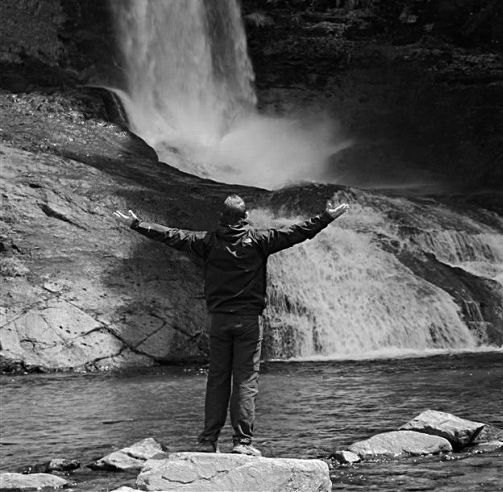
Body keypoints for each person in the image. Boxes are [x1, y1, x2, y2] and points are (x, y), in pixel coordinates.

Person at [114, 194, 349, 456]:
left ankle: (208, 441)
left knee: (217, 380)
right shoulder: (261, 240)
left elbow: (173, 235)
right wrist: (326, 217)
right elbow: (296, 232)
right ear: (246, 217)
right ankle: (242, 443)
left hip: (218, 321)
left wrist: (138, 225)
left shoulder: (207, 241)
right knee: (246, 381)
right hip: (249, 321)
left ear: (222, 218)